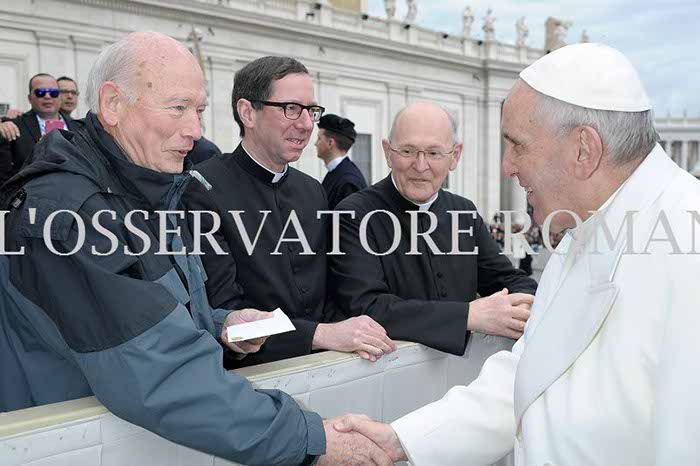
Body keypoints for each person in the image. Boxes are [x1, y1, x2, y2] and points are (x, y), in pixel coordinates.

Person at [0, 32, 392, 466]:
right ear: (112, 104)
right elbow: (159, 371)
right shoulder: (68, 213)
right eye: (178, 108)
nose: (195, 131)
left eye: (199, 111)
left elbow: (159, 313)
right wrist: (309, 439)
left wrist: (223, 324)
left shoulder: (148, 189)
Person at [332, 43, 700, 465]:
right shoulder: (581, 231)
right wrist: (403, 439)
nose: (507, 167)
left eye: (518, 145)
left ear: (583, 150)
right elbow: (526, 379)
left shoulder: (688, 246)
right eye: (409, 151)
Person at [182, 56, 395, 367]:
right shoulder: (202, 189)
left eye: (311, 111)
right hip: (251, 374)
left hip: (327, 365)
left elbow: (331, 291)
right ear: (247, 113)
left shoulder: (312, 191)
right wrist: (321, 334)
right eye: (291, 108)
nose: (307, 124)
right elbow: (224, 317)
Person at [329, 102, 537, 356]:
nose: (420, 165)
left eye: (434, 153)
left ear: (455, 156)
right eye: (407, 151)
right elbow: (367, 306)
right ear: (388, 152)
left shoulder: (463, 211)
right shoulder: (353, 214)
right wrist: (468, 316)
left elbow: (507, 279)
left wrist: (525, 304)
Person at [0, 73, 77, 184]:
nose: (47, 96)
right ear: (29, 98)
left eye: (53, 93)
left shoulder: (78, 127)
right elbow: (5, 180)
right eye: (40, 92)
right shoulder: (11, 127)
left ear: (59, 96)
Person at [316, 113, 368, 209]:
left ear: (330, 143)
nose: (316, 143)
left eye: (319, 138)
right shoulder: (337, 172)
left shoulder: (348, 182)